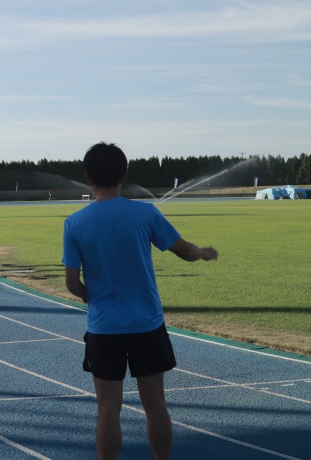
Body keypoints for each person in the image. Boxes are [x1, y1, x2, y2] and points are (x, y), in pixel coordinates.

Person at [62, 142, 218, 460]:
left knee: (107, 408)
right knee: (155, 404)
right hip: (146, 323)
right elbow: (185, 251)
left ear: (88, 178)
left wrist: (89, 296)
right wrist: (202, 252)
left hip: (104, 327)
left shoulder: (74, 223)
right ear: (125, 174)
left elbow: (72, 283)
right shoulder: (144, 212)